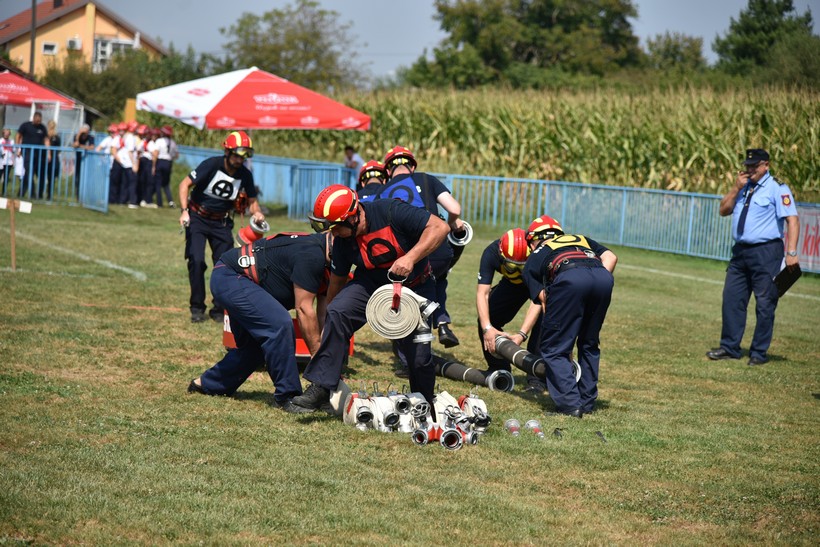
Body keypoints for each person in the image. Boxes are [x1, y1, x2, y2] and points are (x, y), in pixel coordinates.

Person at [290, 184, 449, 412]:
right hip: (371, 283)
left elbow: (440, 227)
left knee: (418, 356)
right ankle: (322, 386)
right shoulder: (343, 242)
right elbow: (336, 283)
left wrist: (410, 258)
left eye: (336, 227)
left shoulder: (391, 211)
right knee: (339, 310)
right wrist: (330, 323)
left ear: (353, 217)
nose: (333, 234)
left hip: (415, 285)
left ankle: (423, 404)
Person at [187, 231, 334, 412]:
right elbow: (304, 309)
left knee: (253, 349)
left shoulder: (330, 263)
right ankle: (288, 396)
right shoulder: (312, 254)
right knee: (279, 325)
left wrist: (328, 359)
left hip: (243, 281)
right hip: (230, 276)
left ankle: (207, 384)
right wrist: (319, 361)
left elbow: (323, 317)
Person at [706, 148, 800, 366]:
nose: (749, 169)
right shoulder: (743, 187)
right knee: (732, 299)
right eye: (747, 165)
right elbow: (723, 210)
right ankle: (730, 347)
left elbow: (792, 220)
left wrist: (792, 252)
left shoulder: (777, 188)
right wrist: (735, 188)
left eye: (754, 166)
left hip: (766, 252)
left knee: (765, 303)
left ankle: (758, 352)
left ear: (766, 165)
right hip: (740, 252)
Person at [522, 215, 617, 417]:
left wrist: (558, 333)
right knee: (589, 343)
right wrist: (593, 280)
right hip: (602, 278)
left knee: (554, 348)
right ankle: (587, 403)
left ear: (535, 239)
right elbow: (611, 257)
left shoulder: (537, 253)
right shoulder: (581, 239)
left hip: (569, 279)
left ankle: (570, 405)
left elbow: (545, 300)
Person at [377, 145, 465, 348]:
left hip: (408, 257)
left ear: (388, 171)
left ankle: (414, 347)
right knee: (438, 278)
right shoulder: (427, 179)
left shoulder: (382, 191)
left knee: (413, 292)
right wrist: (452, 223)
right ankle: (442, 323)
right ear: (413, 167)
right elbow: (454, 208)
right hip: (439, 251)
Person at [178, 130, 264, 324]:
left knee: (225, 266)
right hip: (198, 218)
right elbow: (184, 185)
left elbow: (252, 202)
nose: (240, 160)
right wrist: (184, 211)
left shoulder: (245, 175)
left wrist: (257, 213)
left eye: (244, 156)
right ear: (227, 151)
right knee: (196, 260)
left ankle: (219, 308)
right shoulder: (211, 165)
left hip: (222, 222)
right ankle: (197, 307)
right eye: (237, 155)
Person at [476, 227, 545, 391]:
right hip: (512, 285)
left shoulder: (540, 257)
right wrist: (487, 328)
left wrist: (522, 334)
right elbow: (482, 293)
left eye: (522, 267)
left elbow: (538, 302)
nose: (518, 272)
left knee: (543, 322)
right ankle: (499, 369)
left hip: (538, 287)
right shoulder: (491, 253)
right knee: (486, 317)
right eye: (512, 267)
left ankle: (537, 379)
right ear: (501, 255)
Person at [15, 111, 48, 198]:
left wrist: (49, 153)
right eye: (37, 121)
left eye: (40, 121)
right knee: (29, 172)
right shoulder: (25, 125)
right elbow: (18, 135)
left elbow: (46, 139)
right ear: (33, 118)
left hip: (39, 154)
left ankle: (22, 194)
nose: (38, 122)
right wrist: (18, 149)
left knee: (34, 174)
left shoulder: (42, 128)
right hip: (27, 152)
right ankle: (32, 194)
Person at [155, 125, 177, 208]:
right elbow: (176, 155)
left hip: (160, 161)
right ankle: (170, 201)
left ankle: (159, 203)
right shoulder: (173, 143)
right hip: (168, 162)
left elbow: (156, 153)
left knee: (158, 183)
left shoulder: (159, 141)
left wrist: (153, 165)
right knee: (166, 183)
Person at [72, 123, 95, 199]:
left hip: (88, 162)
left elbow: (91, 147)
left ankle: (86, 195)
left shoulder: (90, 137)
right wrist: (79, 134)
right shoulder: (77, 136)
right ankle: (78, 196)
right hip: (79, 161)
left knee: (87, 179)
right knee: (78, 178)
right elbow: (75, 145)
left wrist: (81, 146)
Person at [43, 120, 61, 201]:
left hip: (54, 158)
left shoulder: (56, 137)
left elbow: (59, 149)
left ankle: (49, 194)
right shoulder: (45, 136)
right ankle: (45, 194)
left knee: (52, 176)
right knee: (48, 176)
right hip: (47, 158)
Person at [0, 129, 14, 195]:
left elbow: (14, 151)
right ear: (3, 133)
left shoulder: (12, 141)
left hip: (9, 162)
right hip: (1, 162)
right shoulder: (0, 141)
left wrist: (13, 161)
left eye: (8, 133)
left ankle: (4, 192)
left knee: (6, 178)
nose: (6, 134)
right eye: (5, 133)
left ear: (9, 134)